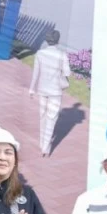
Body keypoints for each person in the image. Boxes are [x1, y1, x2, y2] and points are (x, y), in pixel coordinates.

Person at [29, 28, 71, 157]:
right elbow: (67, 73)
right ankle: (45, 148)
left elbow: (36, 73)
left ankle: (42, 143)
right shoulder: (62, 55)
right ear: (57, 40)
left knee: (42, 116)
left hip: (42, 90)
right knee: (51, 118)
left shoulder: (40, 54)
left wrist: (31, 88)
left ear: (47, 40)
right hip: (55, 91)